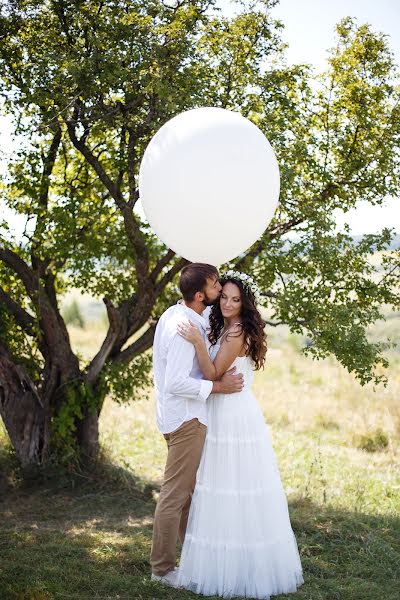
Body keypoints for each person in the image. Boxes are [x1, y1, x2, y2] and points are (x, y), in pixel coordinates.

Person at [175, 269, 304, 599]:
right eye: (226, 297)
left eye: (236, 299)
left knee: (233, 486)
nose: (229, 303)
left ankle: (239, 568)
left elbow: (214, 372)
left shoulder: (236, 332)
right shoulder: (227, 326)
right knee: (224, 486)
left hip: (232, 415)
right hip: (228, 408)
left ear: (245, 303)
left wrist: (196, 342)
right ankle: (229, 562)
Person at [150, 263, 244, 587]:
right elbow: (176, 381)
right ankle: (161, 569)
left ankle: (193, 560)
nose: (220, 289)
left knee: (185, 495)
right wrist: (217, 388)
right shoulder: (183, 326)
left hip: (177, 416)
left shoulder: (178, 315)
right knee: (175, 496)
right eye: (216, 285)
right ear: (201, 295)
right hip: (187, 419)